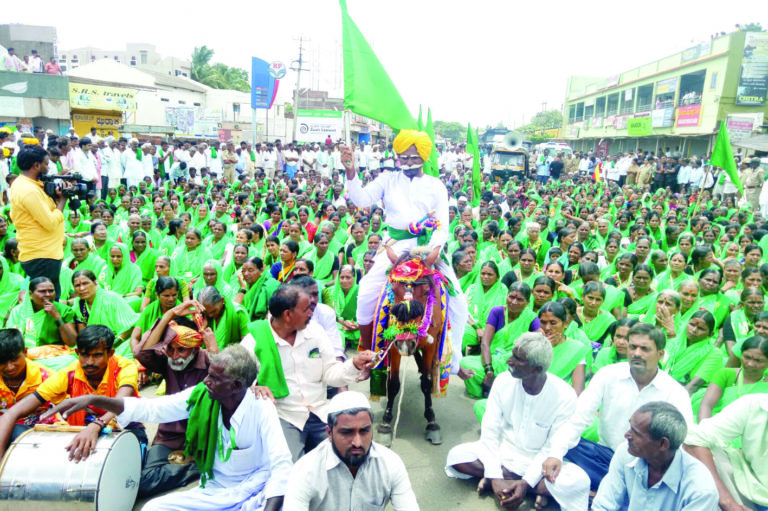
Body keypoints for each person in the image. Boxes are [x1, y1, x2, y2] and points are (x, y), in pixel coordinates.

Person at [43, 345, 292, 511]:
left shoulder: (261, 408)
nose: (206, 381)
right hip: (215, 490)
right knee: (153, 508)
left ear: (237, 385)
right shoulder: (202, 395)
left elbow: (281, 465)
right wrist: (94, 400)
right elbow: (155, 409)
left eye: (215, 378)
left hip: (256, 491)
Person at [341, 130, 470, 381]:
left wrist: (432, 252)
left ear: (423, 155)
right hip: (395, 246)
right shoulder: (387, 179)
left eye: (413, 157)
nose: (408, 163)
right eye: (403, 158)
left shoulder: (436, 185)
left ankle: (453, 363)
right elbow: (360, 198)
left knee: (459, 304)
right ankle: (369, 358)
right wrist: (350, 171)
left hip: (429, 249)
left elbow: (442, 225)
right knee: (366, 291)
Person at [446, 333, 590, 511]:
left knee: (579, 482)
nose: (508, 361)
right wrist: (495, 475)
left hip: (539, 461)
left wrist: (526, 481)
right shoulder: (503, 381)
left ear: (537, 369)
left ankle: (513, 484)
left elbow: (552, 448)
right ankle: (528, 488)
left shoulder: (564, 396)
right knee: (456, 456)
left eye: (517, 358)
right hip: (503, 452)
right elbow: (490, 432)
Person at [541, 323, 693, 492]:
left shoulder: (674, 392)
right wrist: (555, 454)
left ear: (660, 354)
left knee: (666, 477)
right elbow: (579, 417)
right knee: (561, 444)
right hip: (603, 457)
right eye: (633, 347)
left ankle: (593, 491)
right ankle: (607, 490)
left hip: (645, 465)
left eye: (645, 349)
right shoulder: (608, 374)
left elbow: (681, 442)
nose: (636, 353)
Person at [241, 285, 376, 461]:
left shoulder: (315, 332)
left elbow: (330, 373)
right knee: (289, 468)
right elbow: (238, 384)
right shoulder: (254, 342)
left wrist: (354, 365)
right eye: (306, 310)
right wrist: (254, 390)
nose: (311, 314)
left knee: (355, 456)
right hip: (284, 415)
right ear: (288, 315)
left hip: (319, 410)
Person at [0, 325, 143, 461]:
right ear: (77, 353)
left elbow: (120, 402)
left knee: (137, 476)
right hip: (83, 431)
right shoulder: (68, 374)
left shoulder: (125, 367)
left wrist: (97, 425)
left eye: (97, 355)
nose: (89, 362)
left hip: (127, 428)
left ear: (110, 353)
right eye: (84, 355)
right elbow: (11, 414)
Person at [131, 302, 217, 497]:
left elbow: (228, 379)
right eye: (170, 349)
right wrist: (170, 313)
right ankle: (195, 469)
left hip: (201, 439)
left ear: (195, 349)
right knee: (143, 481)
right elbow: (141, 352)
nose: (174, 356)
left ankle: (197, 465)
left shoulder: (208, 361)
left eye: (181, 350)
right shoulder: (167, 362)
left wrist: (213, 348)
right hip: (168, 437)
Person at [283, 391, 418, 511]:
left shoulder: (390, 464)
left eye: (364, 431)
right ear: (329, 433)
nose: (357, 443)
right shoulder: (305, 471)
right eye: (347, 432)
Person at [591, 401, 718, 510]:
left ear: (663, 444)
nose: (627, 435)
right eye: (630, 427)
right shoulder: (625, 453)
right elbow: (603, 506)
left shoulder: (700, 490)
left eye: (636, 433)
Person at [685, 394, 768, 511]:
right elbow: (694, 437)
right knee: (705, 452)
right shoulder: (755, 405)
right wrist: (727, 502)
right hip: (754, 493)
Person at [9, 145, 67, 298]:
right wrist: (62, 200)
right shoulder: (28, 190)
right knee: (47, 301)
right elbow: (50, 222)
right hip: (42, 256)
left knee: (43, 299)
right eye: (46, 164)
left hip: (43, 253)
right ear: (36, 165)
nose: (48, 168)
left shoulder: (29, 185)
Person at [0, 328, 54, 436]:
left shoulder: (48, 378)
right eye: (2, 361)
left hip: (39, 435)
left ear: (25, 352)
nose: (9, 367)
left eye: (14, 359)